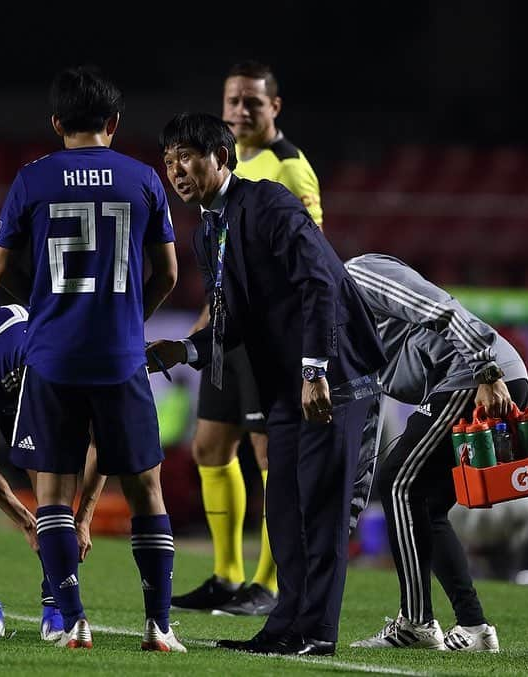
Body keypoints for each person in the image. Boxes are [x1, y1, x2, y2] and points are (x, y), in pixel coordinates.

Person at [150, 113, 385, 657]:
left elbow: (319, 283)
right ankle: (285, 627)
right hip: (283, 386)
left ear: (221, 157)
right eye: (168, 161)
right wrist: (183, 351)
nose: (175, 169)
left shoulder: (271, 204)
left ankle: (319, 633)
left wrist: (315, 370)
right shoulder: (209, 230)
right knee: (282, 512)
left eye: (186, 156)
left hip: (335, 378)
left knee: (320, 511)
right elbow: (233, 322)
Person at [0, 66, 183, 652]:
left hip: (54, 355)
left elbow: (0, 269)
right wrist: (126, 317)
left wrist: (47, 306)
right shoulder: (144, 177)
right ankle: (159, 628)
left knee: (52, 490)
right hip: (121, 355)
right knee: (147, 488)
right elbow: (169, 273)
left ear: (56, 123)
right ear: (114, 123)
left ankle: (73, 622)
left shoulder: (32, 179)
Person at [173, 61, 324, 617]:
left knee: (269, 456)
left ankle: (269, 582)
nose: (240, 111)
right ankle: (226, 574)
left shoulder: (290, 169)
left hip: (266, 337)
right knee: (209, 447)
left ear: (274, 107)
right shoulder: (225, 165)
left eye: (251, 103)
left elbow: (310, 259)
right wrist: (206, 318)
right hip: (227, 332)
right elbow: (226, 263)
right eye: (232, 100)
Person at [343, 253, 528, 652]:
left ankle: (415, 623)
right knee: (424, 505)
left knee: (398, 481)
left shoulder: (358, 273)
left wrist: (486, 370)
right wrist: (353, 508)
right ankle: (475, 627)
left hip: (477, 375)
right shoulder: (328, 328)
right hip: (466, 380)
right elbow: (369, 414)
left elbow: (441, 306)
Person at [0, 303, 105, 641]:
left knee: (51, 487)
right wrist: (25, 522)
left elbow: (102, 443)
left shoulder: (86, 371)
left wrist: (84, 518)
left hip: (30, 378)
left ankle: (54, 606)